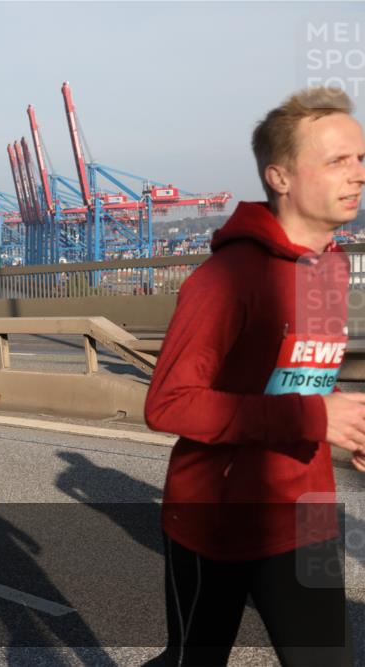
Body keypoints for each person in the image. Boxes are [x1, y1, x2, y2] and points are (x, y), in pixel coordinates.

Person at [144, 87, 364, 667]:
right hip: (214, 519)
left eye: (361, 159)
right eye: (337, 161)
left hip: (308, 508)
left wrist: (347, 420)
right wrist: (315, 415)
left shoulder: (332, 267)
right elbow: (168, 405)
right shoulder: (225, 278)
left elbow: (300, 375)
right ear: (281, 177)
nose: (358, 175)